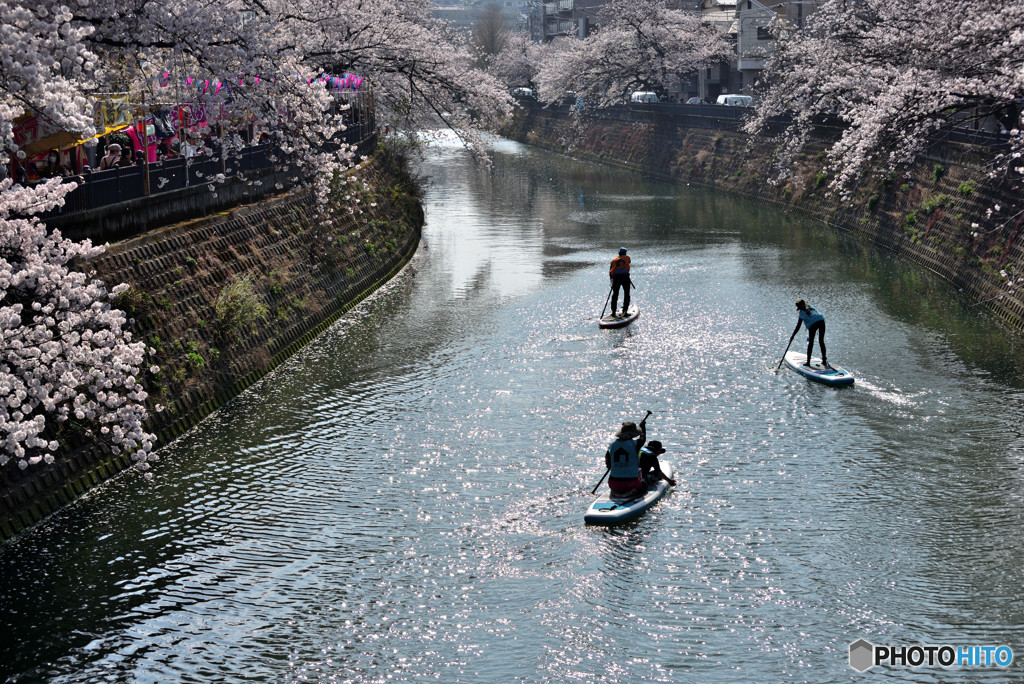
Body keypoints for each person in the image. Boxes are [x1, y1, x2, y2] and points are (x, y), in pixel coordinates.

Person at [605, 417, 647, 497]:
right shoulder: (635, 444)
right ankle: (632, 491)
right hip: (631, 483)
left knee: (617, 480)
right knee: (644, 483)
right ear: (633, 434)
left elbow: (608, 465)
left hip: (613, 483)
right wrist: (643, 427)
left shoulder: (612, 446)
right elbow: (643, 438)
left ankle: (615, 491)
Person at [791, 299, 828, 367]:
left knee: (811, 343)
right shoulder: (812, 307)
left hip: (813, 324)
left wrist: (792, 336)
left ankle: (808, 362)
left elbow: (798, 327)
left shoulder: (801, 314)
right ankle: (824, 360)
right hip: (821, 321)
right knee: (821, 341)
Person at [609, 247, 631, 317]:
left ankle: (613, 312)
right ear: (625, 253)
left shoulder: (613, 260)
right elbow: (628, 264)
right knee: (627, 293)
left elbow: (610, 272)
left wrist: (611, 281)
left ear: (619, 253)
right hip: (625, 277)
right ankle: (625, 311)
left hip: (616, 278)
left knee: (615, 294)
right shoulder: (627, 258)